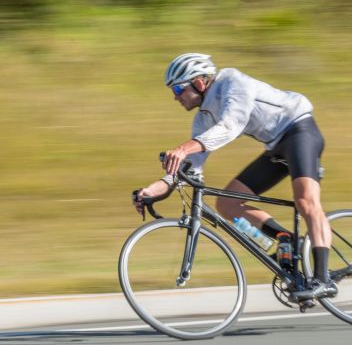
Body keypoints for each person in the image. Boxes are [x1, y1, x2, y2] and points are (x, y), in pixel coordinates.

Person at [132, 52, 337, 301]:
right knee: (227, 204)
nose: (174, 96)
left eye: (177, 88)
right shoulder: (203, 118)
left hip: (299, 131)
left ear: (198, 82)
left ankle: (324, 279)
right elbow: (190, 168)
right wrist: (152, 191)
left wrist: (185, 147)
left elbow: (231, 125)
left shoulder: (232, 82)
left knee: (306, 201)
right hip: (275, 147)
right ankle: (286, 239)